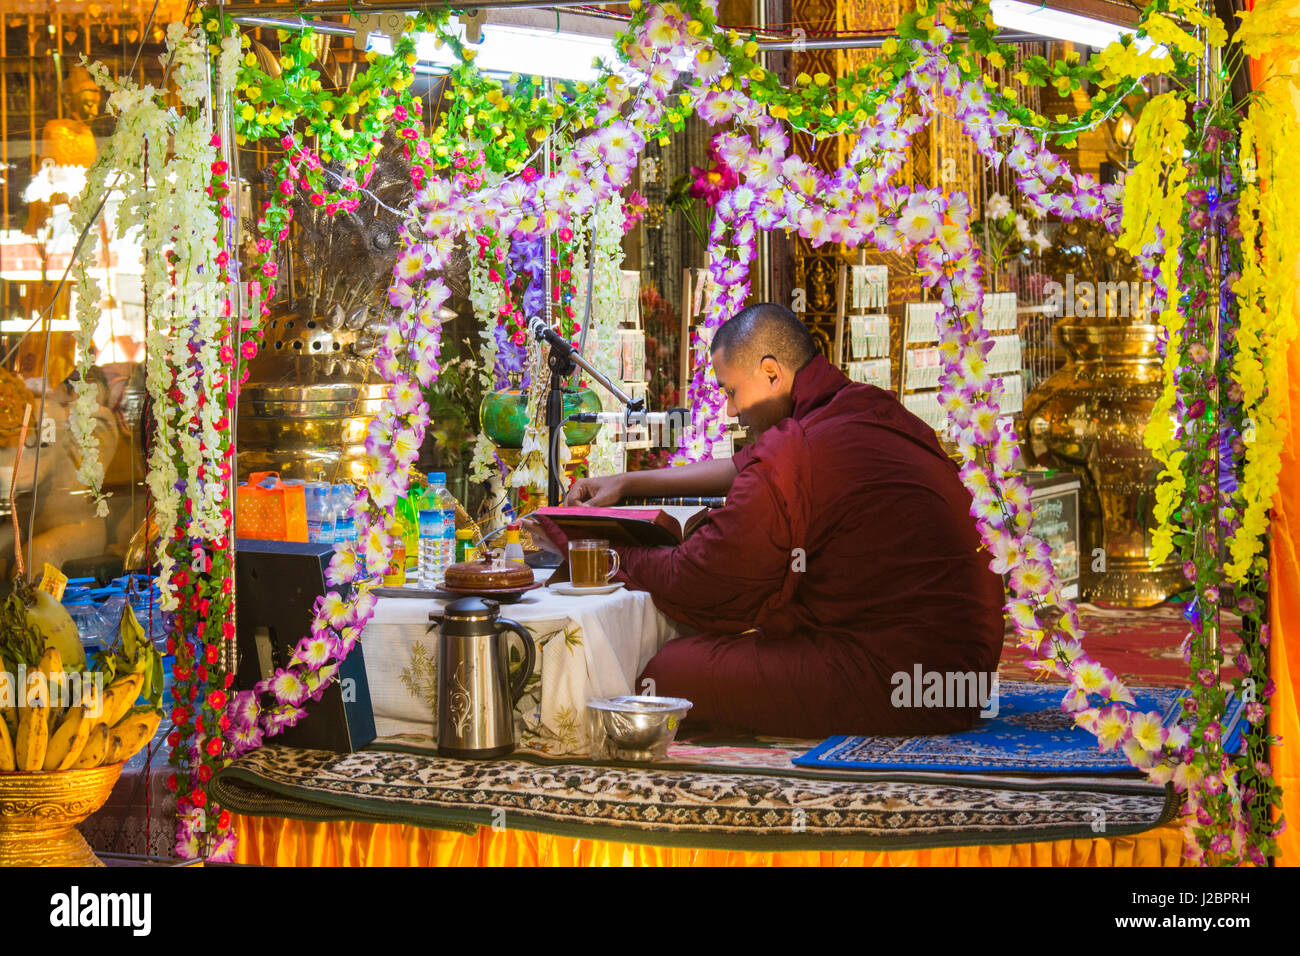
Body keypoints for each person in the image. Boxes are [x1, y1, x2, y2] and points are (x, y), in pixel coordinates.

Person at [530, 303, 1005, 738]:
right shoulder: (863, 406)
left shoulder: (805, 444)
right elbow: (751, 465)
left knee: (668, 672)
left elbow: (707, 576)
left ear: (772, 373)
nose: (731, 411)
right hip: (965, 673)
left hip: (896, 673)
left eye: (732, 392)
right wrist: (628, 483)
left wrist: (599, 551)